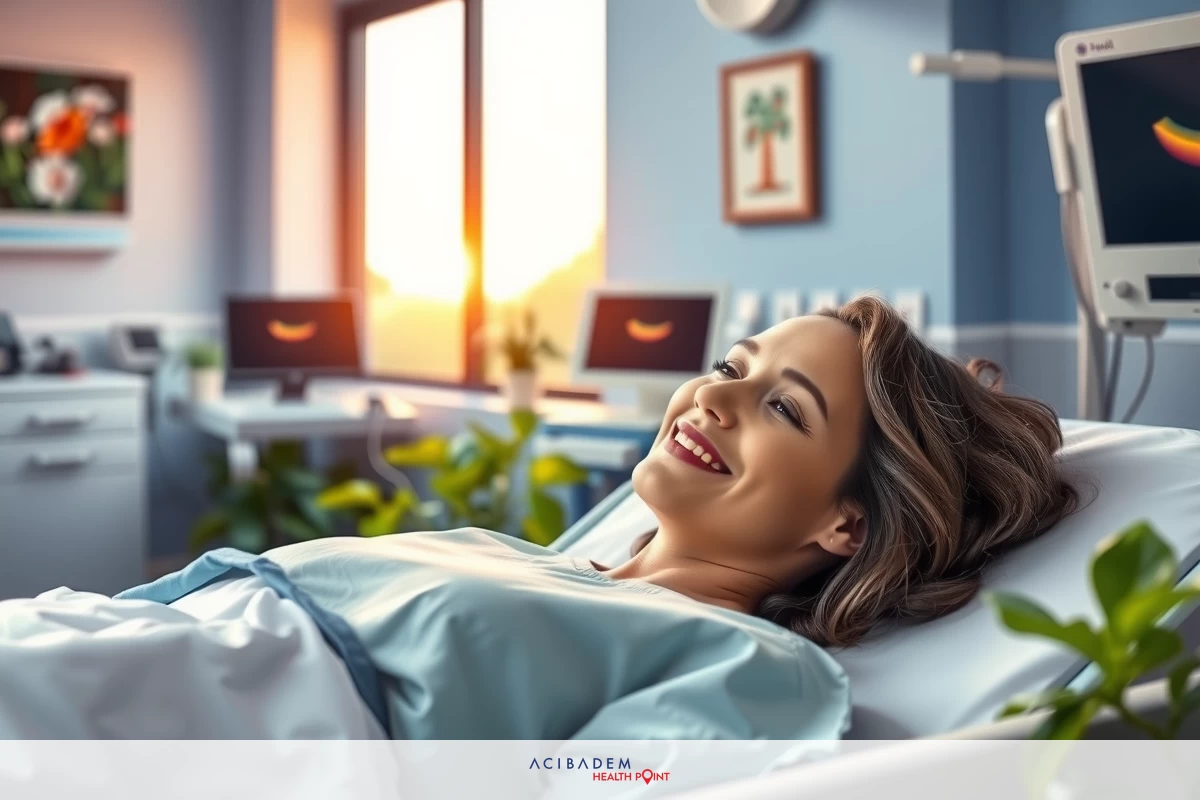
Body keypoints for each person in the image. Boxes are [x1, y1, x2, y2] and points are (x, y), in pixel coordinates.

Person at [0, 297, 1077, 741]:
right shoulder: (534, 560)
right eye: (729, 367)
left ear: (848, 524)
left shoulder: (753, 664)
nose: (713, 399)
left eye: (782, 407)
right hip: (102, 646)